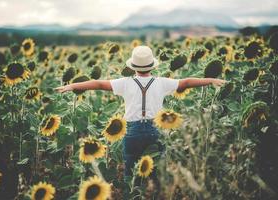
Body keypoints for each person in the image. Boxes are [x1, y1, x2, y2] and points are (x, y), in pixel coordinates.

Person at [55, 45, 226, 198]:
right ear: (152, 65)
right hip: (155, 129)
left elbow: (99, 84)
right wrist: (210, 80)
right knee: (156, 172)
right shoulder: (162, 83)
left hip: (132, 131)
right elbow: (187, 82)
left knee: (131, 173)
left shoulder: (124, 83)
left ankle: (134, 195)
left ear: (133, 67)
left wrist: (72, 86)